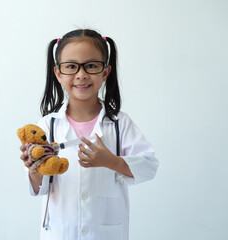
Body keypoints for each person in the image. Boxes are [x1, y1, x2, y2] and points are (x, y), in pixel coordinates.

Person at [19, 29, 159, 240]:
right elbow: (39, 188)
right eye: (71, 66)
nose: (81, 74)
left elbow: (148, 167)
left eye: (91, 65)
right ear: (58, 73)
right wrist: (33, 169)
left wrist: (111, 161)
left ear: (105, 72)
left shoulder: (120, 123)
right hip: (60, 232)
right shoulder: (49, 125)